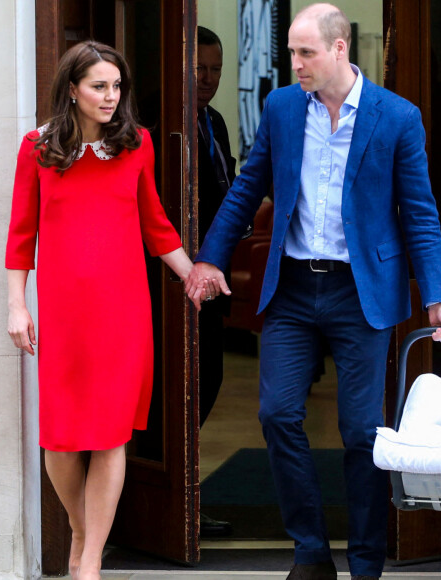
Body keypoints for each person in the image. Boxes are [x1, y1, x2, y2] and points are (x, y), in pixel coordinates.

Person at [186, 4, 441, 579]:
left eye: (305, 53)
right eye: (292, 54)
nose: (296, 64)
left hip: (362, 294)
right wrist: (209, 259)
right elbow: (246, 187)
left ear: (338, 48)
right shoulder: (282, 107)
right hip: (294, 290)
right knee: (277, 414)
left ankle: (365, 561)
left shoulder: (397, 117)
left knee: (359, 431)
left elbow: (421, 215)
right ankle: (309, 552)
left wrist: (437, 295)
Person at [5, 41, 202, 580]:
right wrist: (17, 306)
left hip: (123, 310)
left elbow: (155, 223)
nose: (111, 96)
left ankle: (88, 562)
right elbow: (22, 235)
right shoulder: (36, 149)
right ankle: (81, 529)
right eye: (99, 86)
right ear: (72, 89)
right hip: (65, 314)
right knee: (63, 441)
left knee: (112, 435)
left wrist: (193, 273)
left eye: (117, 86)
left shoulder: (136, 145)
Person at [196, 26, 238, 537]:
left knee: (211, 379)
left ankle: (186, 498)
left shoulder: (216, 121)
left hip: (216, 275)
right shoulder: (159, 122)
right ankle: (172, 505)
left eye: (215, 71)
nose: (207, 80)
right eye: (198, 69)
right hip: (173, 277)